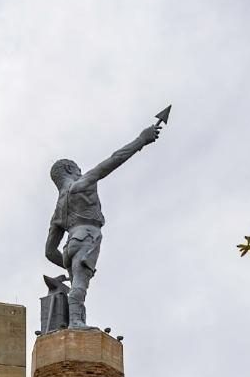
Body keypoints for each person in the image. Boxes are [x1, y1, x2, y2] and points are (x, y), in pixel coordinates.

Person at [44, 121, 163, 329]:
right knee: (80, 285)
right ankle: (76, 322)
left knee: (78, 284)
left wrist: (66, 263)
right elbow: (113, 161)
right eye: (77, 168)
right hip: (87, 236)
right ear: (70, 169)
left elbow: (49, 251)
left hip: (69, 245)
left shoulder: (58, 209)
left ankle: (77, 320)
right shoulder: (81, 185)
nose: (81, 171)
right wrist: (142, 140)